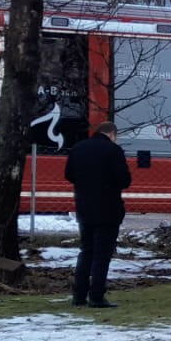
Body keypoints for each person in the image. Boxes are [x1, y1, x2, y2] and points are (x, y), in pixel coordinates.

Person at [64, 121, 133, 308]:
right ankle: (96, 296)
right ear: (111, 134)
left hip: (84, 207)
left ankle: (79, 295)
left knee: (86, 251)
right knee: (102, 255)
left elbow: (68, 175)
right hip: (108, 209)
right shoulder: (113, 151)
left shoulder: (78, 148)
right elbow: (124, 180)